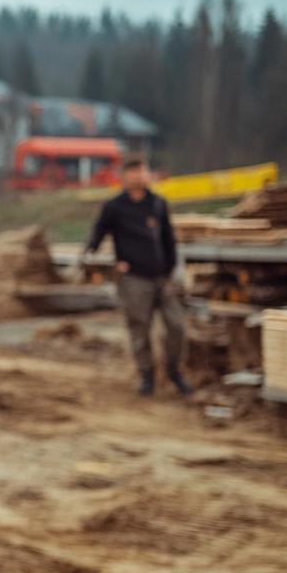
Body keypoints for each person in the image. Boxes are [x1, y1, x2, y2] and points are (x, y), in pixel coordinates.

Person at [85, 157, 191, 397]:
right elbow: (99, 232)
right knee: (139, 329)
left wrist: (172, 269)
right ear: (125, 176)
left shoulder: (158, 204)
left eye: (142, 172)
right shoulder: (115, 207)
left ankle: (174, 372)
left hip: (162, 277)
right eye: (133, 172)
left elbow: (168, 239)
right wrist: (90, 253)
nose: (139, 176)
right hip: (134, 278)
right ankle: (146, 377)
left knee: (177, 326)